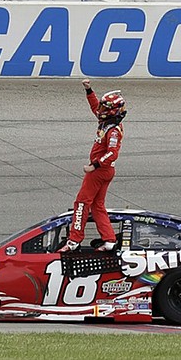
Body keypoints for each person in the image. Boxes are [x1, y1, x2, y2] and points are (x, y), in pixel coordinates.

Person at [58, 79, 127, 253]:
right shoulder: (107, 121)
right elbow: (95, 107)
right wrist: (89, 91)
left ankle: (74, 240)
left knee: (81, 203)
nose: (101, 110)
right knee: (97, 206)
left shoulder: (113, 130)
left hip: (99, 171)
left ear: (113, 111)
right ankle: (109, 239)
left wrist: (94, 166)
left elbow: (113, 153)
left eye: (105, 107)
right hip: (104, 171)